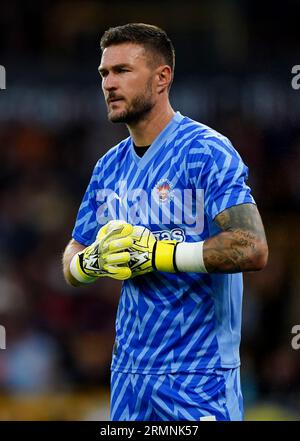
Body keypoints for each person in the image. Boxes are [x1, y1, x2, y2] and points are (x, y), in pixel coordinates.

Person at [62, 23, 268, 421]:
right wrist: (92, 263)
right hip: (129, 377)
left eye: (122, 71)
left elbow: (252, 246)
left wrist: (157, 254)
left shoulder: (206, 151)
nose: (108, 83)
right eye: (104, 73)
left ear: (162, 78)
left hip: (200, 376)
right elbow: (73, 253)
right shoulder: (109, 167)